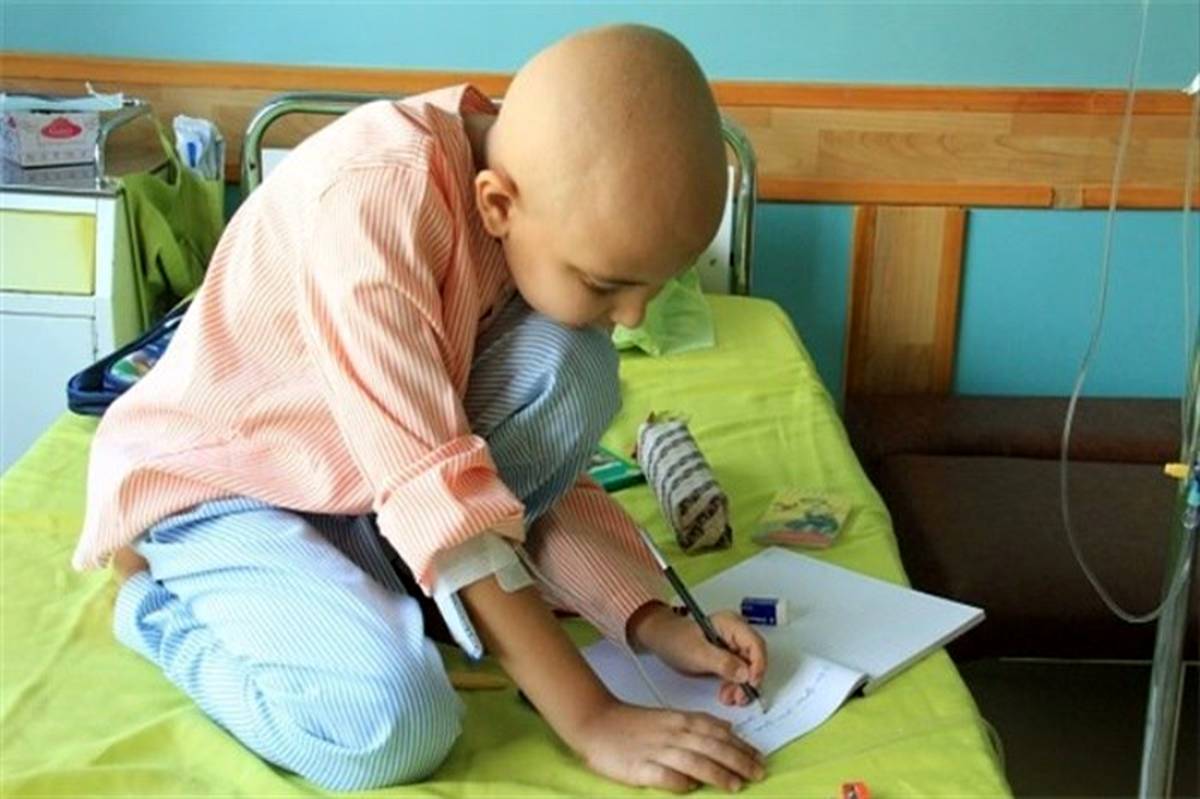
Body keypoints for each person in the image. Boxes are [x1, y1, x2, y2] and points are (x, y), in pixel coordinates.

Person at [80, 24, 767, 793]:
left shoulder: (526, 214)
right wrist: (592, 717)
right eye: (608, 284)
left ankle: (407, 589)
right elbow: (445, 494)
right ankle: (148, 599)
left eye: (657, 286)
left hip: (350, 486)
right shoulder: (375, 203)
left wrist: (651, 619)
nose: (633, 316)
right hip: (225, 488)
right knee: (394, 723)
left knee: (575, 363)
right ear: (497, 204)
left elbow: (509, 482)